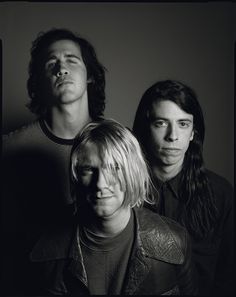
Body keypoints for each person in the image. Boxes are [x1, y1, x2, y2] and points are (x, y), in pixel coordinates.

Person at [28, 119, 198, 295]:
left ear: (133, 171)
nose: (101, 183)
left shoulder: (174, 241)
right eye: (88, 169)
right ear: (76, 175)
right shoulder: (44, 246)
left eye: (114, 168)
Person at [1, 28, 106, 294]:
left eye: (72, 59)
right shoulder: (10, 149)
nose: (61, 68)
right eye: (52, 63)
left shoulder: (119, 144)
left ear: (90, 74)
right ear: (40, 82)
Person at [132, 79, 234, 296]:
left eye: (183, 124)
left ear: (193, 133)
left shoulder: (221, 194)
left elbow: (229, 276)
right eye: (161, 123)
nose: (173, 136)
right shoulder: (124, 193)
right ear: (145, 128)